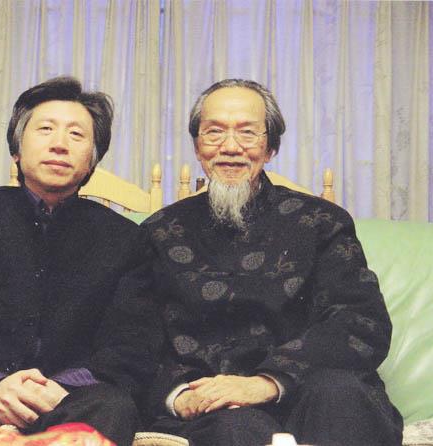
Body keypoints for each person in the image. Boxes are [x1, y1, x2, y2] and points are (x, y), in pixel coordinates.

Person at [0, 76, 161, 445]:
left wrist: (57, 390)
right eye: (45, 129)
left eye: (76, 135)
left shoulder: (125, 239)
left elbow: (132, 346)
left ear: (92, 160)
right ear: (17, 149)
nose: (59, 144)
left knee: (113, 406)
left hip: (72, 402)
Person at [142, 79, 403, 446]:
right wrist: (180, 395)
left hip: (313, 389)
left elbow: (361, 322)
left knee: (340, 396)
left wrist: (267, 382)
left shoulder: (321, 222)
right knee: (233, 430)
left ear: (270, 147)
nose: (230, 147)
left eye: (247, 133)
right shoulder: (159, 232)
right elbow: (136, 338)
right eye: (214, 132)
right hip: (219, 407)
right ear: (198, 146)